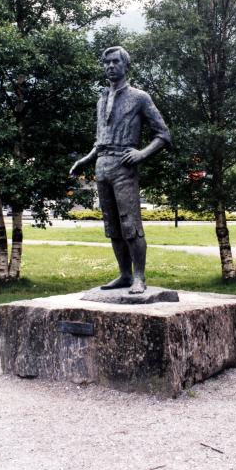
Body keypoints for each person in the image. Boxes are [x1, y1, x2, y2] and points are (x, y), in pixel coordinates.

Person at [69, 46, 171, 294]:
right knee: (112, 226)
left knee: (131, 225)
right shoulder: (101, 98)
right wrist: (86, 159)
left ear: (126, 66)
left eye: (115, 62)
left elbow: (164, 135)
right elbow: (100, 139)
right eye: (106, 63)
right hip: (101, 166)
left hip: (124, 167)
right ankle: (124, 275)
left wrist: (142, 153)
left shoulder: (139, 97)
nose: (110, 66)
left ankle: (139, 277)